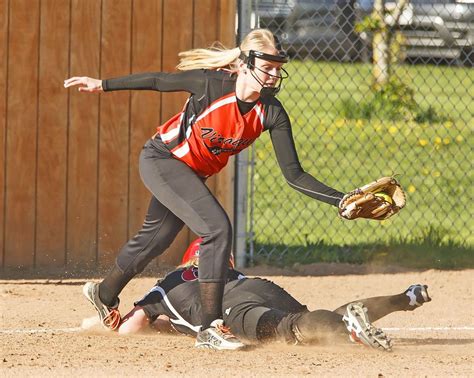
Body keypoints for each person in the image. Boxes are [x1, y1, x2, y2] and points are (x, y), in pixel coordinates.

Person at [64, 28, 348, 350]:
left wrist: (341, 200)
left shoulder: (271, 112)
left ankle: (103, 295)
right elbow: (159, 81)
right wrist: (102, 85)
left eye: (277, 69)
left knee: (155, 240)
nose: (273, 75)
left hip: (190, 173)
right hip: (162, 159)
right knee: (217, 229)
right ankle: (210, 328)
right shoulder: (212, 85)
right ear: (244, 64)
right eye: (266, 67)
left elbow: (294, 174)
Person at [116, 238, 432, 352]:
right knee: (313, 320)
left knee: (291, 327)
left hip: (232, 306)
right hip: (260, 286)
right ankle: (404, 299)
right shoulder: (234, 273)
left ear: (188, 260)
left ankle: (350, 329)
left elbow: (132, 327)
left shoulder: (170, 282)